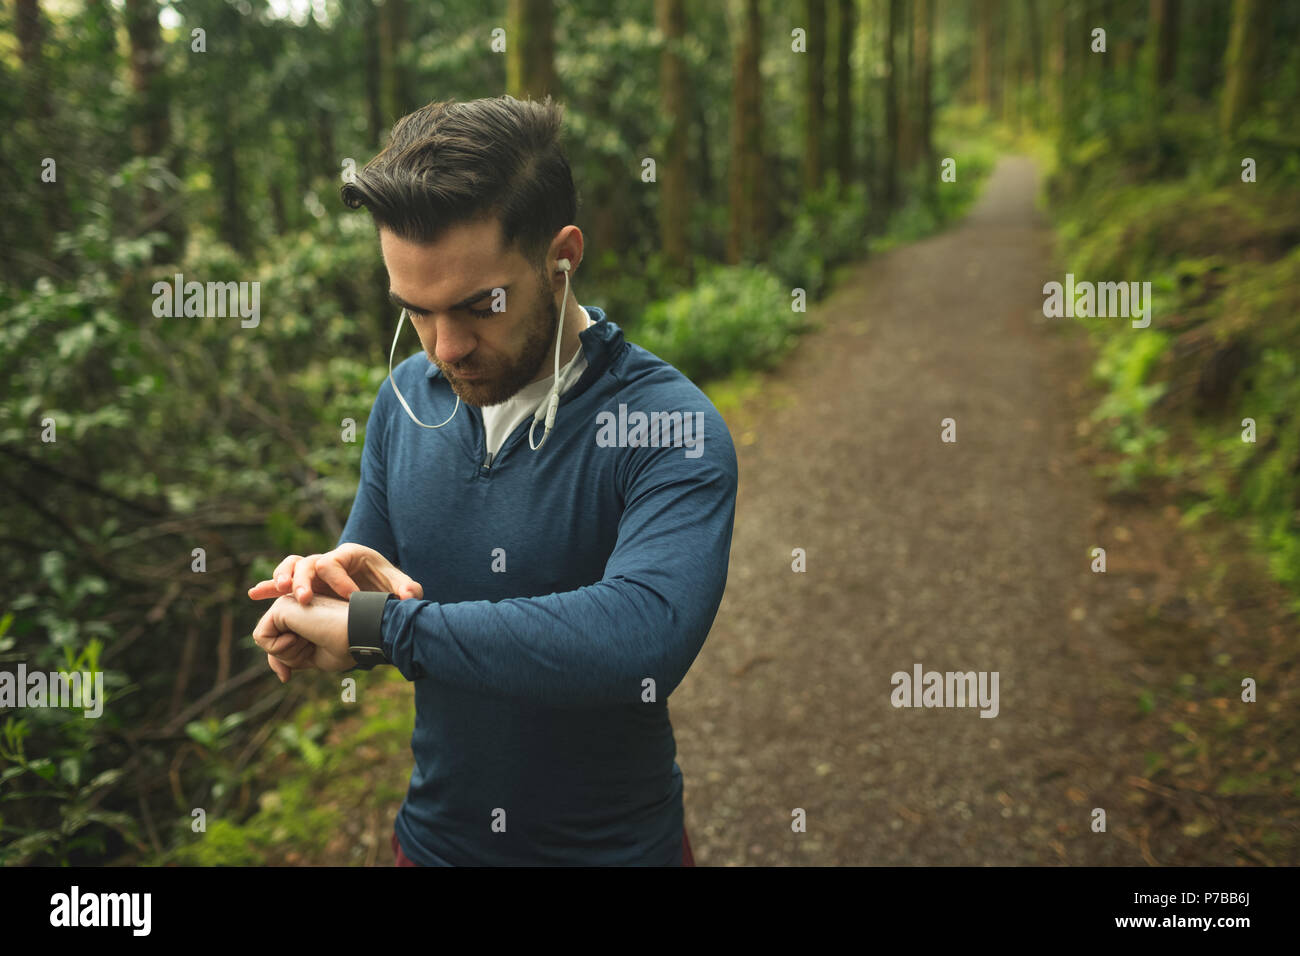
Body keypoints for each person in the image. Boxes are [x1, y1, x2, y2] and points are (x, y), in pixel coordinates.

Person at [246, 95, 736, 866]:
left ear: (563, 255)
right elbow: (381, 613)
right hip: (434, 845)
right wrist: (322, 607)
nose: (447, 348)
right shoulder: (404, 400)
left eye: (481, 307)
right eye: (417, 312)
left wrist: (384, 629)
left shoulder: (666, 422)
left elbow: (643, 636)